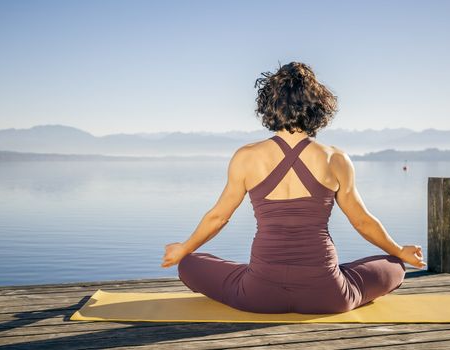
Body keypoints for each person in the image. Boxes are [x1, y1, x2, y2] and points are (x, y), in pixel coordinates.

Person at [161, 61, 426, 314]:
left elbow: (219, 217)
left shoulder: (246, 156)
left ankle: (257, 273)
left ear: (269, 104)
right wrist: (398, 250)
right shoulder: (335, 158)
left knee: (190, 264)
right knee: (394, 265)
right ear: (319, 106)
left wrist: (183, 249)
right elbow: (362, 222)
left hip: (257, 294)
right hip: (328, 294)